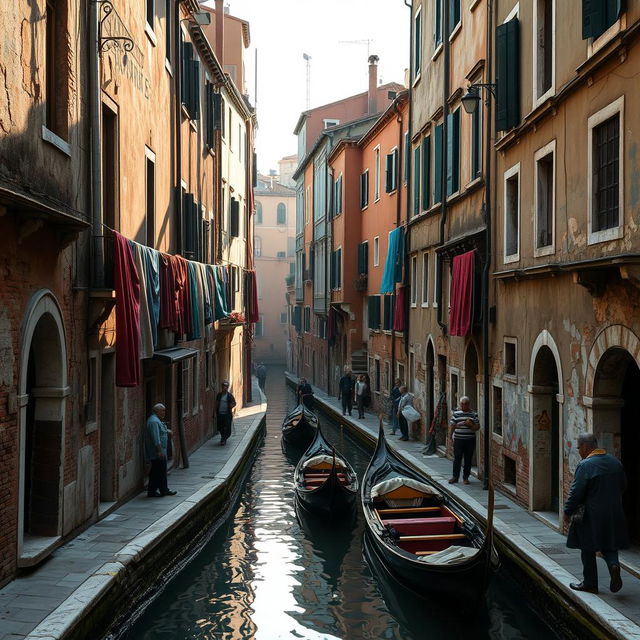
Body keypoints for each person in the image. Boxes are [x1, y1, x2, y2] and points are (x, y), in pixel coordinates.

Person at [564, 433, 629, 594]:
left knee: (587, 546)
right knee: (610, 542)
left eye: (579, 448)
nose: (579, 451)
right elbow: (623, 485)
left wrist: (567, 511)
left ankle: (590, 583)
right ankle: (613, 565)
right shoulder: (615, 462)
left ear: (586, 446)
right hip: (614, 511)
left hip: (591, 514)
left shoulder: (585, 465)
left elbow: (576, 492)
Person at [144, 403, 177, 497]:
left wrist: (167, 431)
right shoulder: (154, 421)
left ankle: (163, 490)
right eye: (162, 410)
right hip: (157, 452)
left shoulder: (156, 420)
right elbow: (156, 438)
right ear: (156, 411)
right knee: (157, 472)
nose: (164, 412)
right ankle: (154, 491)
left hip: (160, 452)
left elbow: (160, 432)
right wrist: (159, 451)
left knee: (159, 472)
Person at [448, 396, 480, 485]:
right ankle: (455, 477)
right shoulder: (456, 414)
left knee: (468, 459)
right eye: (462, 404)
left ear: (468, 404)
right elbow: (452, 426)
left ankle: (466, 478)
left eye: (465, 404)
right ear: (460, 404)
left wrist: (470, 425)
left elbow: (477, 427)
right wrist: (450, 438)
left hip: (470, 440)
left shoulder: (474, 414)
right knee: (457, 458)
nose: (463, 405)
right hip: (458, 440)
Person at [215, 380, 237, 446]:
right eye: (223, 386)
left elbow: (234, 403)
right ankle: (223, 438)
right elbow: (216, 404)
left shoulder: (230, 396)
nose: (224, 388)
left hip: (227, 415)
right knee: (220, 427)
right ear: (222, 387)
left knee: (227, 428)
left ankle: (224, 439)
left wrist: (231, 405)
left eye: (226, 387)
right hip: (220, 414)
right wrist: (214, 413)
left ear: (227, 387)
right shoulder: (219, 395)